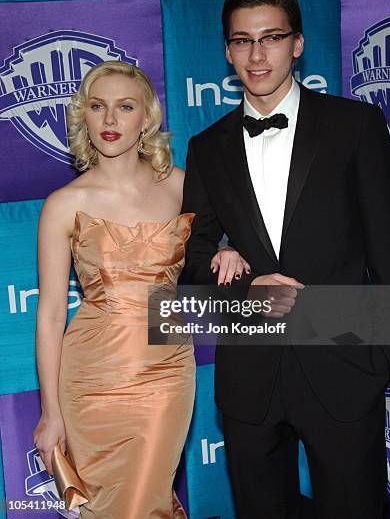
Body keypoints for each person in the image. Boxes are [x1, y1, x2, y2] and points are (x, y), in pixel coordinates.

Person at [181, 0, 390, 518]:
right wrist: (243, 284)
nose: (257, 55)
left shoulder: (356, 125)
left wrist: (384, 360)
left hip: (345, 366)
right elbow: (190, 260)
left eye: (272, 37)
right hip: (250, 379)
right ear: (228, 50)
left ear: (297, 44)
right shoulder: (205, 148)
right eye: (242, 41)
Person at [33, 60, 248, 518]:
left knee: (143, 503)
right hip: (89, 377)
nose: (110, 121)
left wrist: (226, 249)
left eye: (125, 107)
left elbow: (219, 244)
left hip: (166, 370)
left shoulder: (182, 187)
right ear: (83, 116)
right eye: (98, 107)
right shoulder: (63, 204)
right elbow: (51, 314)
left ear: (146, 119)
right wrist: (51, 414)